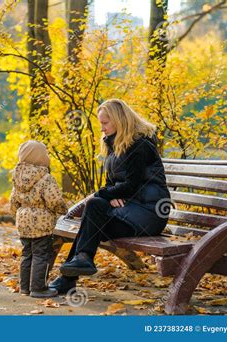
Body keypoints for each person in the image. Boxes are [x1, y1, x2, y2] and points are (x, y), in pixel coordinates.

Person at [49, 99, 171, 294]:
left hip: (149, 215)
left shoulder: (140, 146)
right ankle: (80, 263)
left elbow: (131, 186)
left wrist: (104, 195)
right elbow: (113, 185)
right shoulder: (115, 146)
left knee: (94, 207)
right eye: (101, 124)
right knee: (92, 218)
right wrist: (110, 195)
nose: (102, 129)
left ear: (119, 120)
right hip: (128, 212)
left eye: (105, 123)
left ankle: (71, 275)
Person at [10, 140, 68, 298]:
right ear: (40, 157)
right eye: (46, 154)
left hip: (23, 223)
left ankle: (25, 288)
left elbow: (13, 201)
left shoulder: (18, 177)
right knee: (41, 255)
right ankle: (38, 288)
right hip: (41, 223)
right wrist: (63, 210)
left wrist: (17, 213)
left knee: (26, 254)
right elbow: (54, 200)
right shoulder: (45, 177)